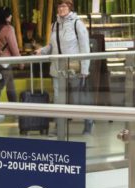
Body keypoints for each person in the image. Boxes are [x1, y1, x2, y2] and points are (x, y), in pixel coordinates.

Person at [38, 0, 92, 136]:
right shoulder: (54, 25)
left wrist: (85, 69)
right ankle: (59, 125)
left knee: (77, 98)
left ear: (70, 7)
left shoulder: (77, 24)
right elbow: (52, 46)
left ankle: (88, 121)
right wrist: (42, 50)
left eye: (64, 6)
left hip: (73, 67)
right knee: (58, 98)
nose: (61, 8)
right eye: (59, 6)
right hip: (57, 67)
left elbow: (85, 47)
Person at [0, 7, 20, 105]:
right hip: (5, 63)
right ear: (5, 17)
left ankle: (15, 110)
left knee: (11, 87)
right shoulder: (9, 29)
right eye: (9, 14)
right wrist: (20, 61)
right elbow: (14, 47)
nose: (11, 16)